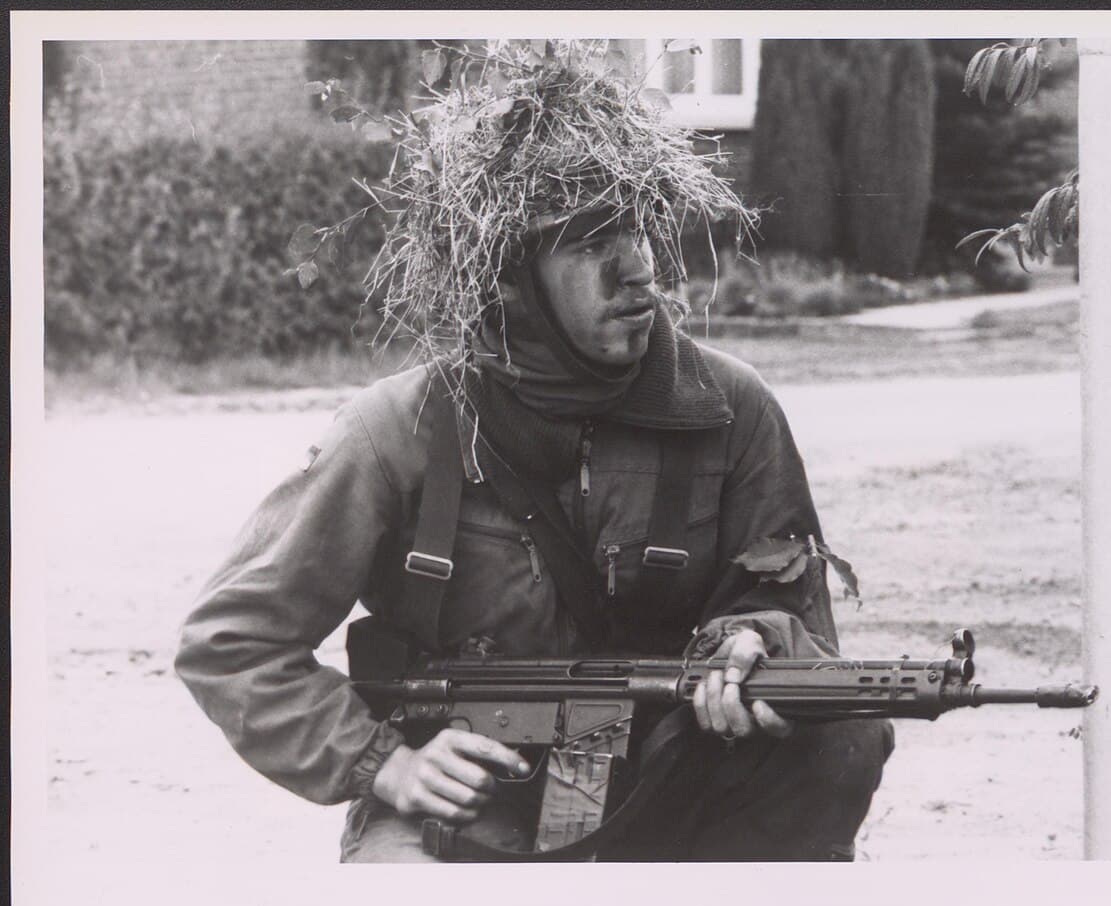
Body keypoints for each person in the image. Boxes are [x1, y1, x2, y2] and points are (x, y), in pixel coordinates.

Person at [175, 40, 893, 862]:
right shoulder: (397, 432)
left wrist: (754, 645)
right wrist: (388, 766)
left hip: (670, 794)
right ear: (506, 278)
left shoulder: (731, 411)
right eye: (591, 243)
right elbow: (230, 644)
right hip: (472, 809)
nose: (639, 273)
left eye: (642, 227)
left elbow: (800, 627)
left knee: (843, 730)